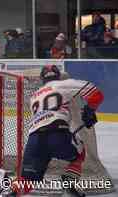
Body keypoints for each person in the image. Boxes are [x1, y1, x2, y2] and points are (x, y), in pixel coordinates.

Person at [8, 65, 104, 196]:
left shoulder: (34, 97)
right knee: (79, 153)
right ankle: (70, 181)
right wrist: (89, 110)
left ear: (42, 79)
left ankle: (11, 193)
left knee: (26, 181)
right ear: (58, 76)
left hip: (34, 139)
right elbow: (95, 93)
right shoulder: (64, 84)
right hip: (57, 133)